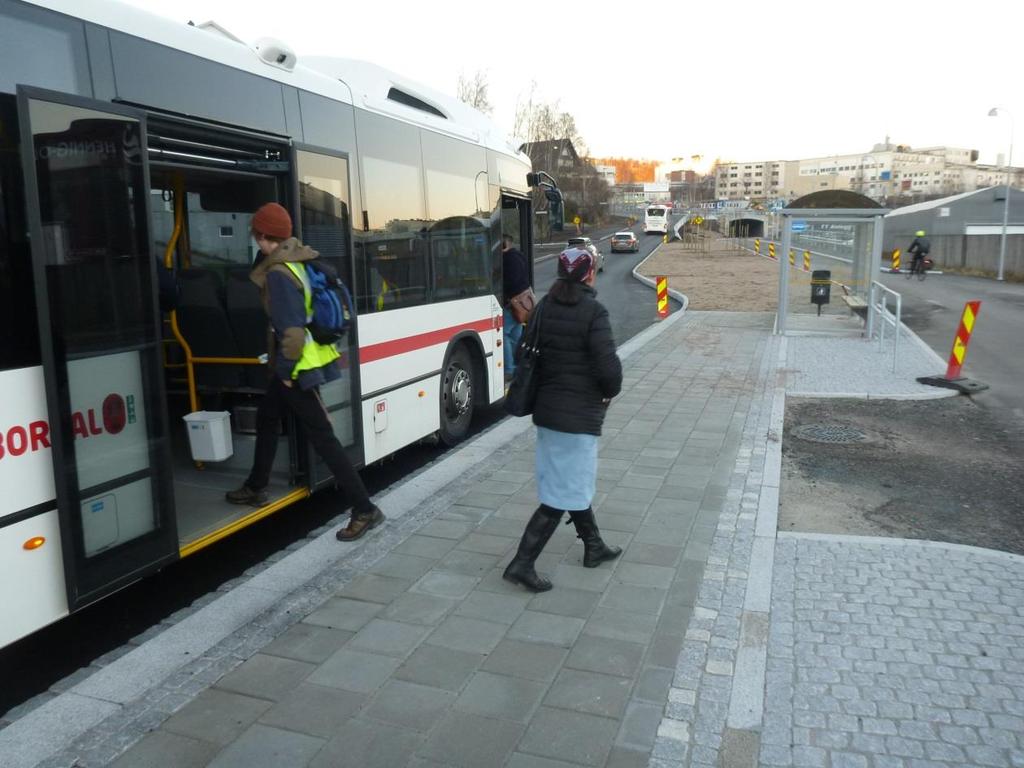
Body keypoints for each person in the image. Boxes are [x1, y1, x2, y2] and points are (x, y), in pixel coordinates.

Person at [226, 202, 385, 542]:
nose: (255, 239)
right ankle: (257, 485)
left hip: (297, 370)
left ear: (264, 235)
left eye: (255, 233)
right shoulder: (297, 261)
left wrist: (284, 371)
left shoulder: (280, 274)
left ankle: (365, 509)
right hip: (295, 366)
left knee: (324, 439)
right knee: (268, 418)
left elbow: (293, 332)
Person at [503, 247, 623, 592]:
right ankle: (521, 564)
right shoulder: (594, 312)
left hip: (548, 412)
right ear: (589, 275)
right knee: (562, 491)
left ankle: (594, 546)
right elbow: (610, 372)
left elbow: (524, 350)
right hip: (578, 417)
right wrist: (606, 392)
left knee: (571, 481)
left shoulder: (543, 308)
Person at [501, 234, 530, 380]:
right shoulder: (520, 256)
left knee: (503, 334)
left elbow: (510, 282)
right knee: (515, 335)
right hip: (523, 304)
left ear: (504, 244)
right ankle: (517, 366)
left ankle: (509, 368)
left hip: (512, 304)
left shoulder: (507, 259)